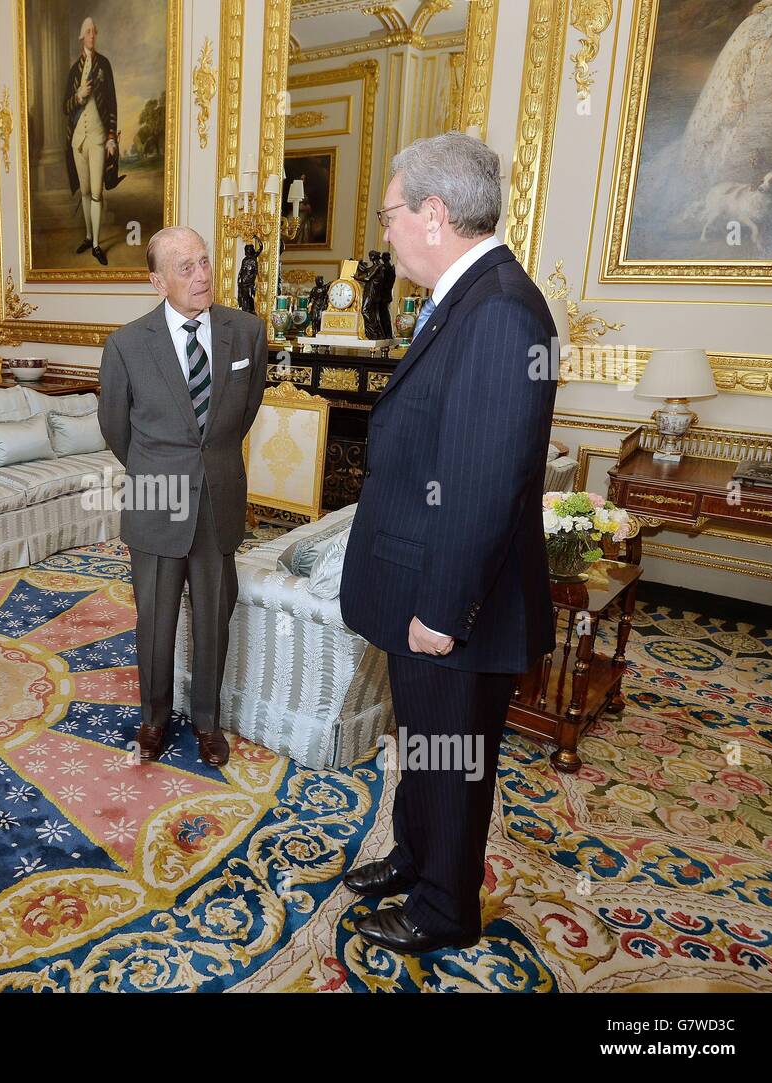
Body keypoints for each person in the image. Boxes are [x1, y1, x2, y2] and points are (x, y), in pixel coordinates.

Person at [338, 132, 558, 954]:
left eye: (392, 215)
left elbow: (484, 483)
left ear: (434, 214)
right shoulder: (468, 296)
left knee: (454, 756)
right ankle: (414, 855)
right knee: (424, 743)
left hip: (456, 600)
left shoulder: (500, 310)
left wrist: (440, 609)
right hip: (427, 587)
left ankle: (445, 905)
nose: (386, 233)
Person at [98, 226, 268, 767]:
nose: (202, 276)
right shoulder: (126, 344)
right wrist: (159, 471)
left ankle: (208, 721)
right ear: (157, 281)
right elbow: (115, 428)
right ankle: (152, 718)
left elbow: (244, 412)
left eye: (204, 262)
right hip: (156, 499)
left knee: (215, 616)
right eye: (185, 267)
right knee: (155, 619)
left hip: (218, 498)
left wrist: (205, 462)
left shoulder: (246, 333)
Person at [64, 16, 122, 266]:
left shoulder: (104, 65)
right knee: (85, 192)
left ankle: (97, 244)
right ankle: (88, 236)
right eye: (87, 31)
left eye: (93, 31)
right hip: (78, 139)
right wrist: (78, 96)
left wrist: (111, 137)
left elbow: (111, 102)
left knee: (97, 193)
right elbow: (64, 108)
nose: (91, 35)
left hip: (98, 136)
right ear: (81, 36)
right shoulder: (73, 71)